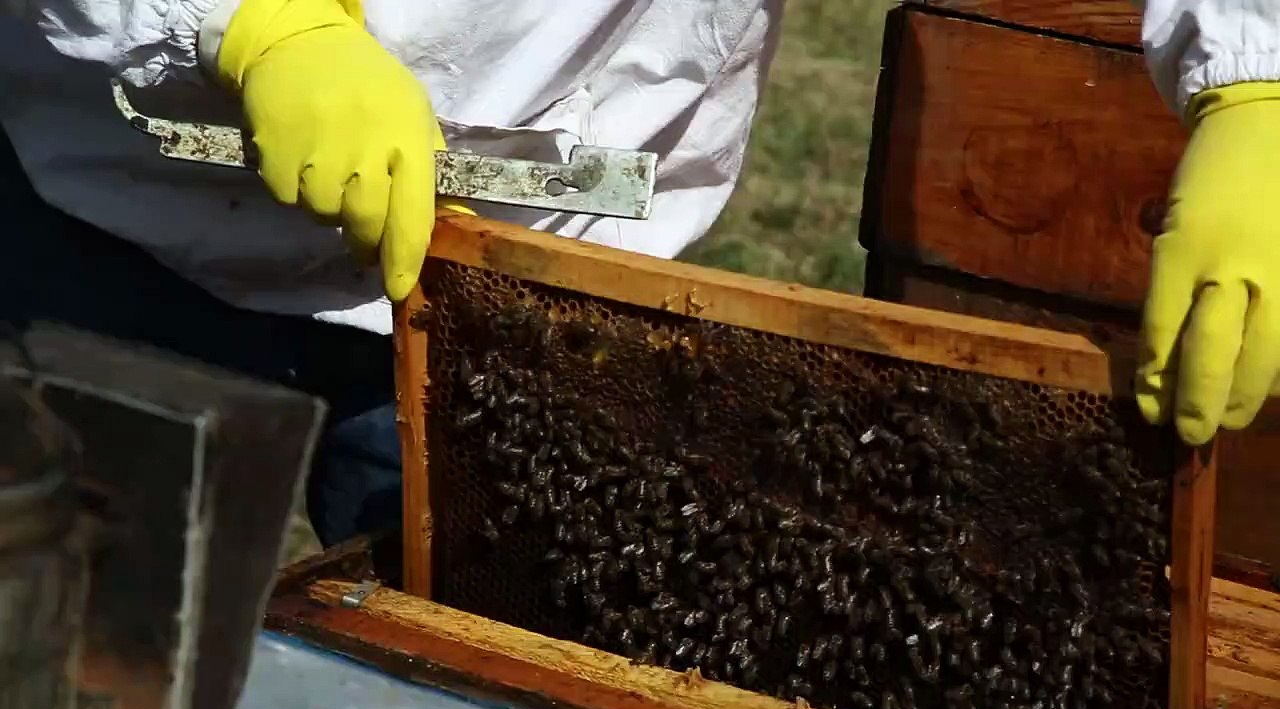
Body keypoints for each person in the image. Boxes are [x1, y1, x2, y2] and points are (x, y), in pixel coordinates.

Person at [0, 0, 1270, 546]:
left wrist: (1254, 77)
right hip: (126, 194)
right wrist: (249, 22)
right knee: (75, 639)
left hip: (547, 246)